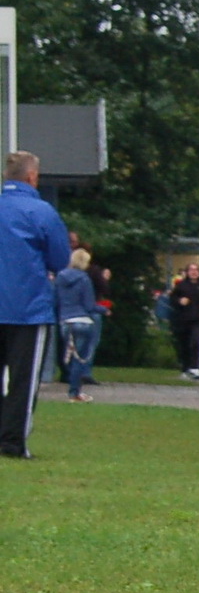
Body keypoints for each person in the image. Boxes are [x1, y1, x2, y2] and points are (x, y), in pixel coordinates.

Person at [1, 152, 72, 457]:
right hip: (26, 307)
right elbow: (60, 258)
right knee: (23, 381)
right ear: (32, 177)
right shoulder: (41, 211)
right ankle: (12, 441)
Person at [56, 248, 102, 402]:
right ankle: (74, 392)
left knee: (68, 356)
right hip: (82, 321)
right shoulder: (84, 279)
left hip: (65, 321)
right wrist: (103, 309)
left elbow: (56, 300)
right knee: (80, 359)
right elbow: (89, 305)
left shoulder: (60, 277)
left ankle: (71, 385)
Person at [167, 262, 199, 379]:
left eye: (196, 270)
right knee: (184, 344)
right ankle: (185, 367)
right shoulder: (181, 285)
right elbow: (172, 299)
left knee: (195, 341)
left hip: (198, 319)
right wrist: (180, 301)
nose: (194, 272)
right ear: (187, 272)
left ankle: (195, 367)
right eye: (191, 270)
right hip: (183, 319)